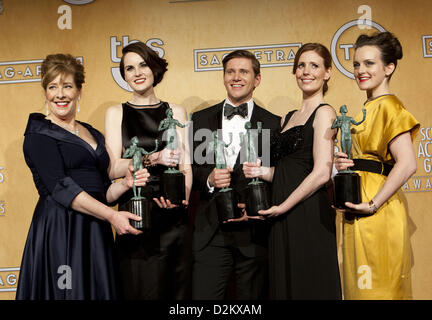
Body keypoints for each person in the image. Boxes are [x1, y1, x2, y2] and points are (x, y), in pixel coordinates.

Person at [16, 54, 149, 300]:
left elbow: (102, 190)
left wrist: (124, 185)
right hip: (61, 227)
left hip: (94, 226)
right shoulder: (38, 134)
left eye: (67, 86)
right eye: (53, 87)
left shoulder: (92, 133)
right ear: (45, 92)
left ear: (79, 90)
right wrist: (112, 216)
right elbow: (61, 188)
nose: (60, 94)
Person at [243, 43, 342, 299]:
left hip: (307, 213)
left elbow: (322, 172)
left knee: (308, 283)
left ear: (327, 73)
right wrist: (262, 172)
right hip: (282, 213)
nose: (306, 72)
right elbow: (290, 170)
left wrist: (283, 206)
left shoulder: (325, 113)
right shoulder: (288, 117)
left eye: (314, 66)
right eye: (301, 65)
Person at [334, 32, 420, 299]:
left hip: (376, 210)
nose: (360, 70)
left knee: (377, 292)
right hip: (358, 206)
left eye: (369, 63)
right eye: (357, 64)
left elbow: (407, 165)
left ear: (389, 67)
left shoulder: (390, 106)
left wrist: (372, 204)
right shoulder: (368, 107)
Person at [104, 41, 192, 299]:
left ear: (154, 68)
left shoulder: (176, 111)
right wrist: (154, 158)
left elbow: (185, 165)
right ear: (124, 75)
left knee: (177, 294)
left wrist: (181, 201)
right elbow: (112, 169)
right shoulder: (116, 113)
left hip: (174, 219)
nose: (137, 72)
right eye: (129, 68)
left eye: (143, 65)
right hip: (136, 215)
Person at [191, 50, 281, 299]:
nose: (236, 77)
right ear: (223, 77)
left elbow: (278, 175)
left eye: (244, 72)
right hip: (210, 231)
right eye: (230, 71)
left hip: (254, 233)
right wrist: (209, 179)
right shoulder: (200, 120)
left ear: (257, 79)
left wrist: (254, 209)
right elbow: (191, 170)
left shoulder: (273, 123)